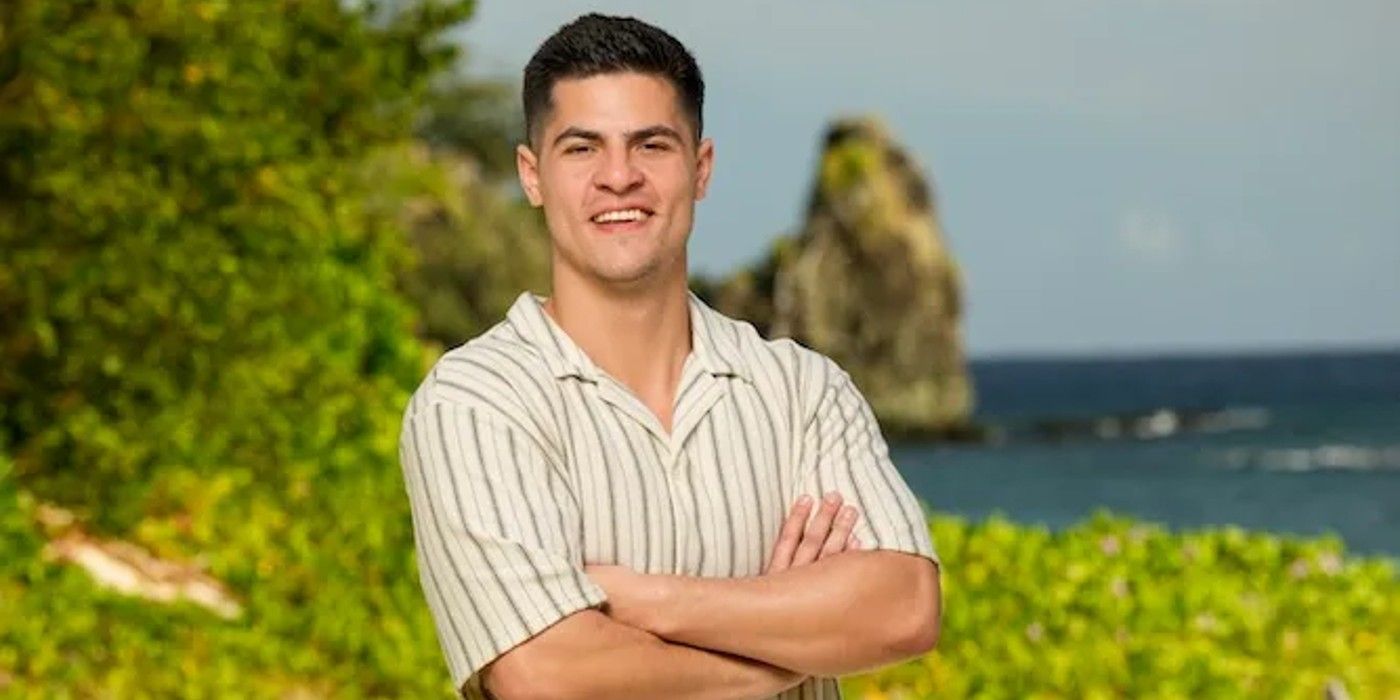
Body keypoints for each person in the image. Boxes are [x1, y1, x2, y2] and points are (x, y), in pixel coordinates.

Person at [398, 13, 943, 699]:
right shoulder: (476, 402)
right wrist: (787, 637)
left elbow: (904, 609)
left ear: (700, 168)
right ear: (532, 176)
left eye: (651, 145)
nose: (618, 177)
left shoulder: (803, 390)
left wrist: (654, 602)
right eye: (582, 149)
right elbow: (547, 675)